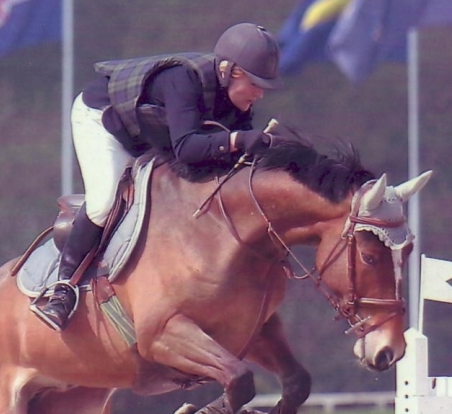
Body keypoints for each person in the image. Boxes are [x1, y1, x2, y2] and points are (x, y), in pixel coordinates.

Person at [33, 22, 283, 331]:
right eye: (255, 84)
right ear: (232, 72)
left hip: (150, 133)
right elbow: (188, 149)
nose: (259, 94)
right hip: (103, 121)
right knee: (105, 201)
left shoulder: (234, 102)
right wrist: (236, 141)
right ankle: (63, 288)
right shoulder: (183, 81)